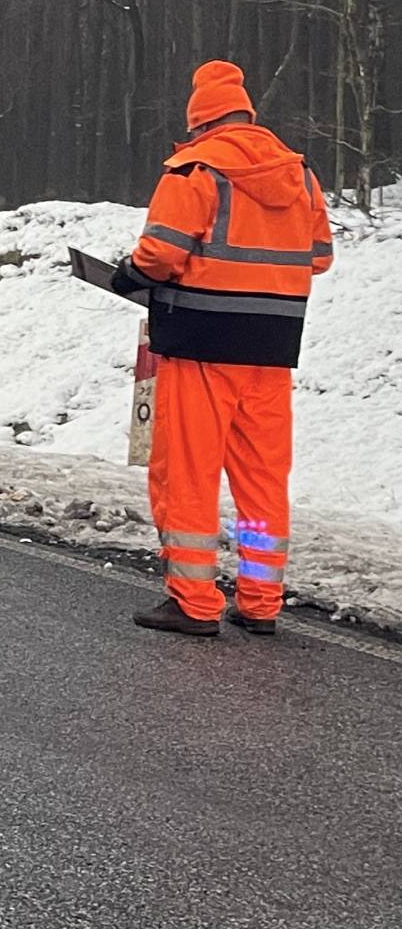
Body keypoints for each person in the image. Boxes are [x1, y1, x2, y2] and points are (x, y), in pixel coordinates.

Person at [113, 61, 334, 636]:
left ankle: (194, 602)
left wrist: (127, 275)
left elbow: (160, 255)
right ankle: (260, 600)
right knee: (262, 482)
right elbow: (319, 257)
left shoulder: (195, 169)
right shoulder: (300, 174)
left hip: (201, 346)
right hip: (271, 351)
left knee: (188, 474)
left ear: (200, 121)